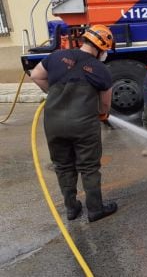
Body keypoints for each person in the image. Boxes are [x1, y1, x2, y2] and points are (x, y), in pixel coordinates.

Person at [30, 24, 117, 222]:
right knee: (89, 167)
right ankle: (95, 209)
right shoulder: (100, 69)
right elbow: (105, 104)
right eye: (105, 50)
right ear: (100, 47)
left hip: (53, 124)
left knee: (62, 166)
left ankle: (72, 208)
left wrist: (52, 94)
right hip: (84, 126)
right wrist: (102, 115)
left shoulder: (56, 56)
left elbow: (36, 75)